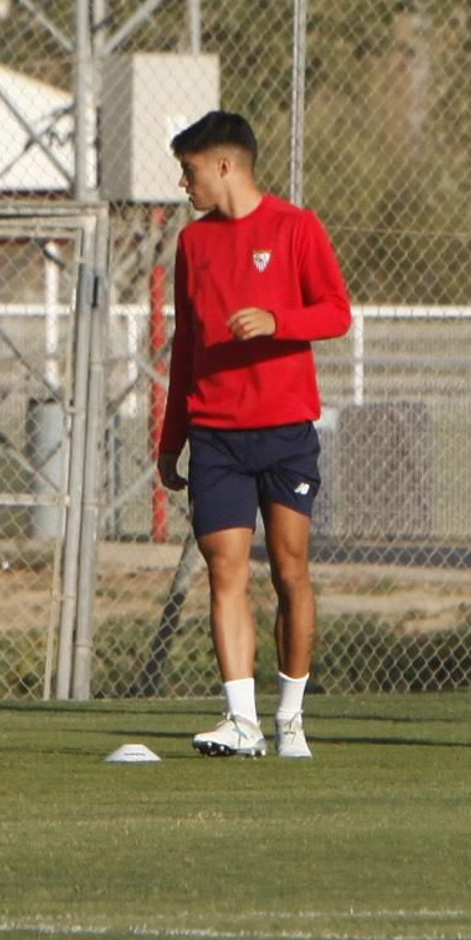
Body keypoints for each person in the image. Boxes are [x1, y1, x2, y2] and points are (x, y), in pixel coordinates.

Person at [157, 111, 353, 759]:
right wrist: (172, 436)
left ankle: (290, 717)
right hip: (215, 436)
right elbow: (186, 344)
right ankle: (242, 721)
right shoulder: (193, 243)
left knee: (291, 570)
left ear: (224, 165)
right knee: (226, 570)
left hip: (285, 433)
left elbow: (337, 313)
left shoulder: (296, 227)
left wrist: (277, 320)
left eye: (189, 171)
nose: (184, 184)